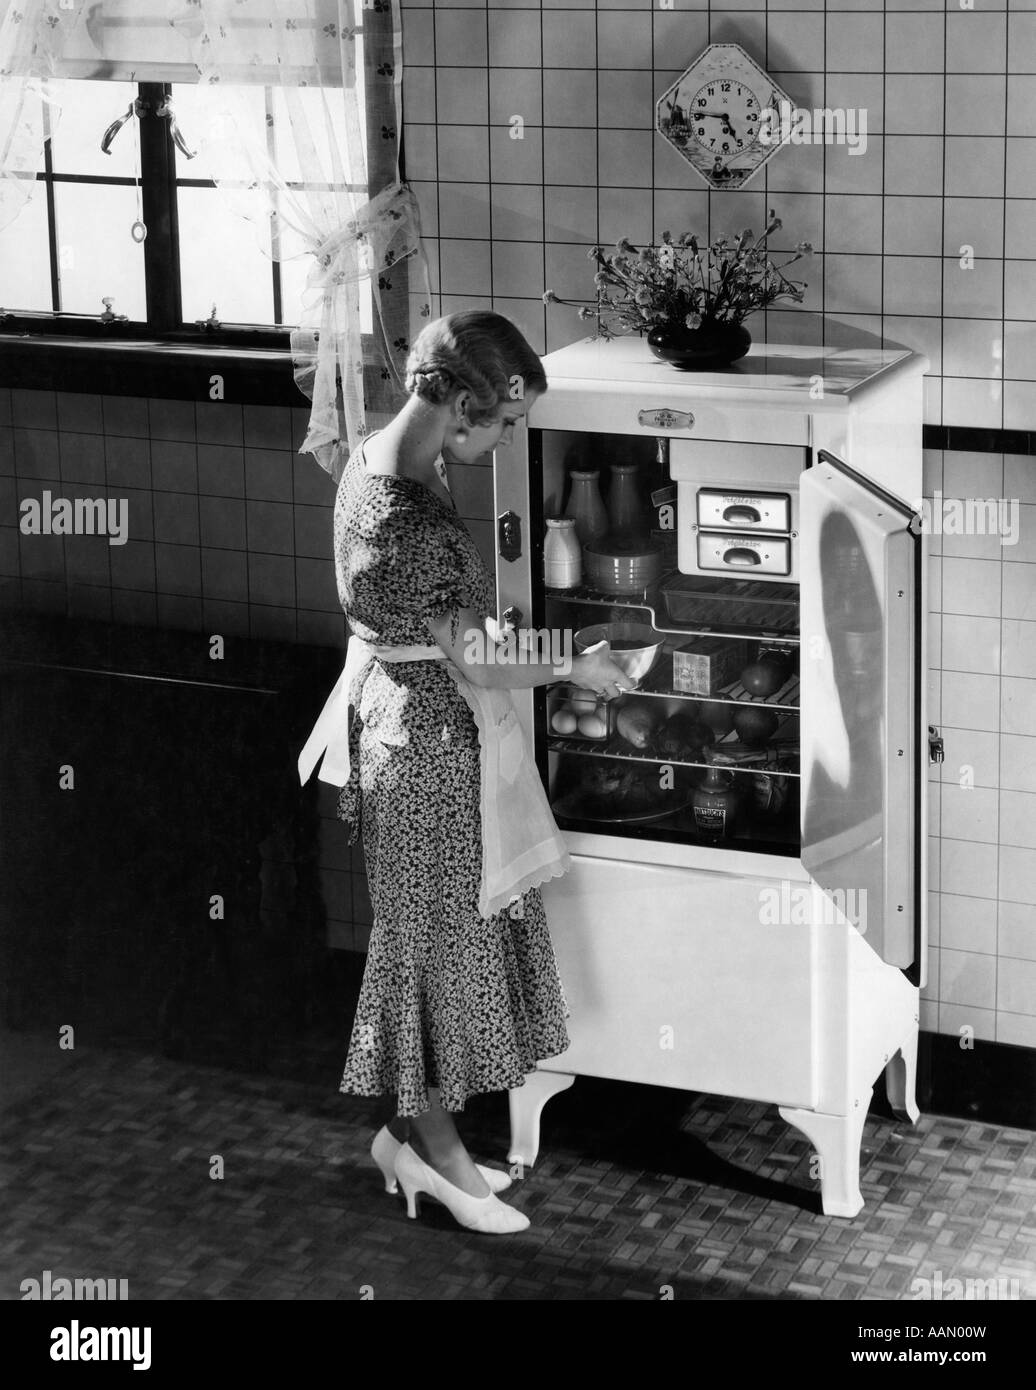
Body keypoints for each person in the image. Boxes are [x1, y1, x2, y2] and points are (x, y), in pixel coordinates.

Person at [317, 310, 626, 1234]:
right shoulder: (410, 520)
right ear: (456, 404)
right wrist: (578, 660)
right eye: (500, 422)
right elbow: (481, 657)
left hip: (395, 720)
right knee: (426, 947)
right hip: (421, 747)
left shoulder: (380, 457)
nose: (505, 439)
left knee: (437, 936)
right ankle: (435, 1156)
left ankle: (414, 1140)